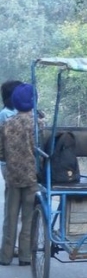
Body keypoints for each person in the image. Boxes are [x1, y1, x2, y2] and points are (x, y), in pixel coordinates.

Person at [0, 83, 40, 266]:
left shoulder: (7, 124)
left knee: (10, 217)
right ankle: (25, 256)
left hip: (13, 177)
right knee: (29, 218)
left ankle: (5, 256)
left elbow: (1, 153)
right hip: (32, 177)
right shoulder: (39, 125)